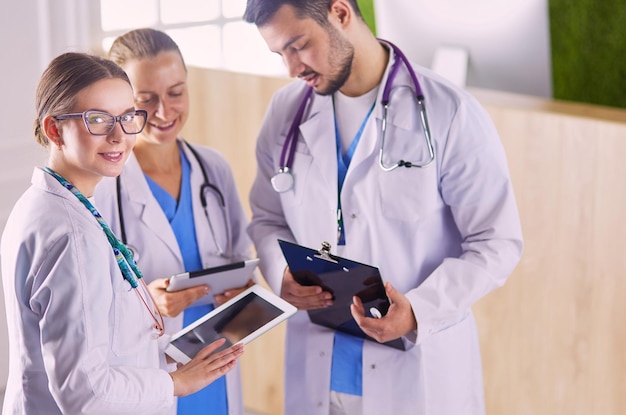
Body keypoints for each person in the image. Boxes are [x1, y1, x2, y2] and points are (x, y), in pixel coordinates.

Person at [243, 1, 524, 414]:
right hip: (320, 367)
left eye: (298, 45)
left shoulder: (449, 113)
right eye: (280, 54)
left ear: (340, 13)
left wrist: (419, 310)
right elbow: (268, 218)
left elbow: (496, 242)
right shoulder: (286, 112)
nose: (292, 68)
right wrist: (279, 271)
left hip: (415, 370)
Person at [0, 52, 243, 415]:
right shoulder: (71, 234)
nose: (119, 136)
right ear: (54, 130)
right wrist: (176, 384)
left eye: (127, 117)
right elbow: (86, 394)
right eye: (97, 119)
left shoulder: (52, 203)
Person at [93, 28, 253, 415]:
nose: (164, 112)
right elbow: (90, 301)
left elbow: (240, 259)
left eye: (176, 92)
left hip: (216, 359)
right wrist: (147, 302)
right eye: (146, 100)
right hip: (149, 372)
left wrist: (244, 292)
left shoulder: (213, 168)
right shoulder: (103, 186)